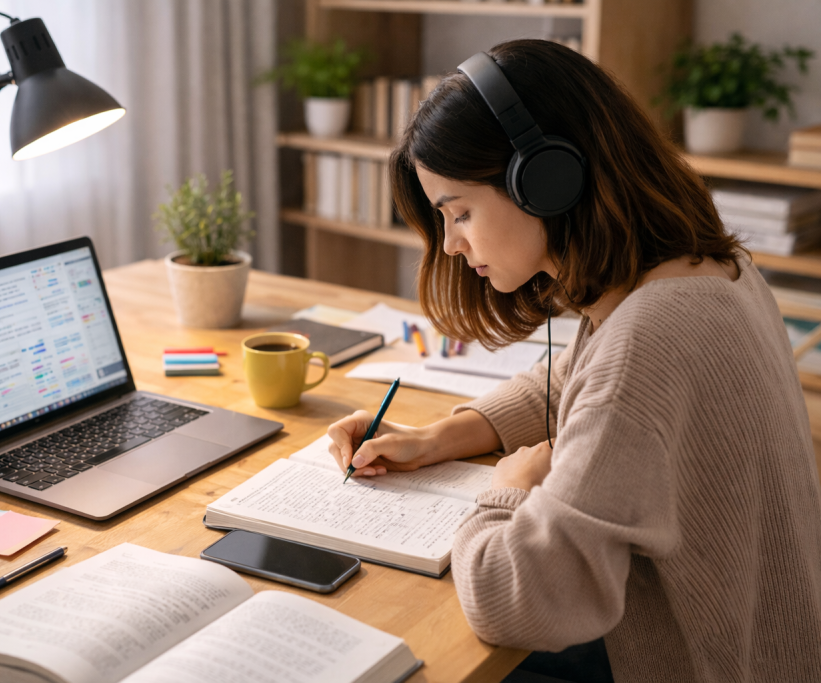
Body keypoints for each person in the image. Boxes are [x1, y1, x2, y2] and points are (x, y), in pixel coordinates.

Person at [327, 39, 821, 682]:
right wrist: (443, 435)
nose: (450, 244)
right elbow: (587, 377)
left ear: (546, 180)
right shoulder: (704, 270)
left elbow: (519, 601)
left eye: (460, 213)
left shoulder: (648, 339)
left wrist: (504, 495)